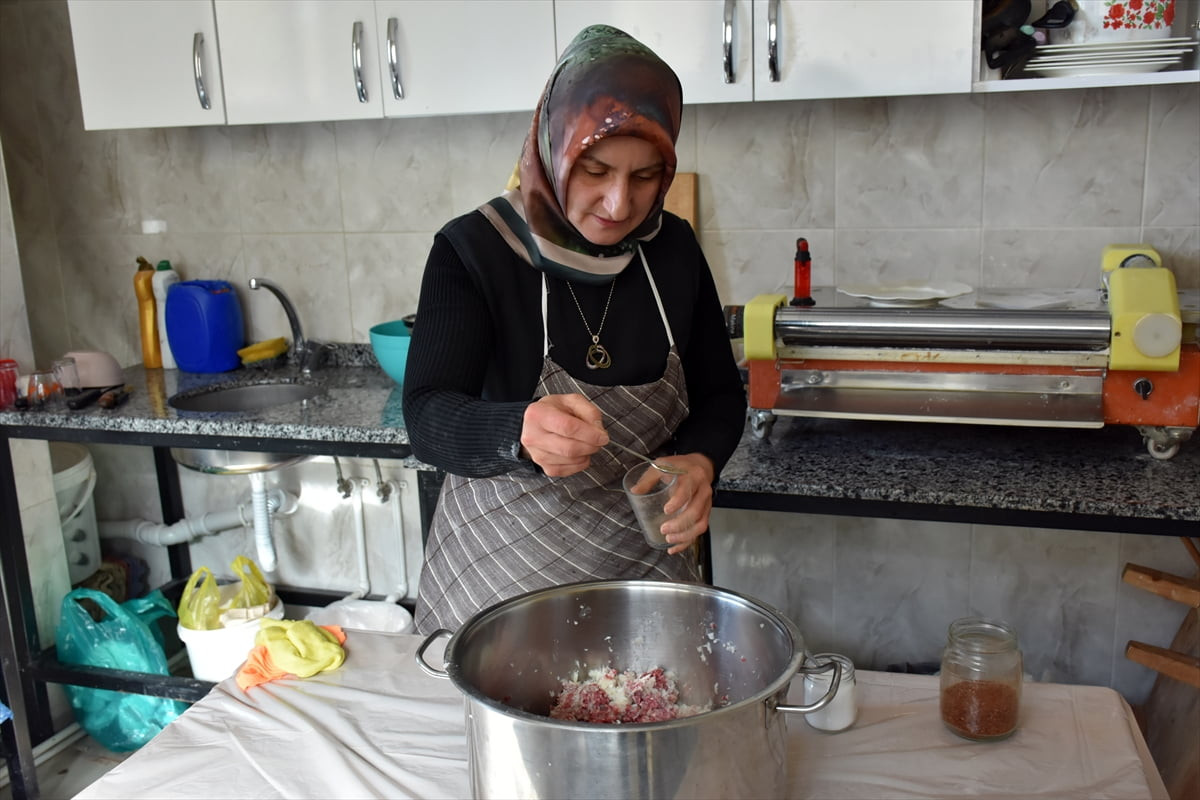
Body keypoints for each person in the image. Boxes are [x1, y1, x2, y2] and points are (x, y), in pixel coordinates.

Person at [403, 25, 747, 633]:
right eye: (595, 169)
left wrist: (699, 461)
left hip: (643, 576)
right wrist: (518, 428)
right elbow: (428, 416)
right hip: (499, 581)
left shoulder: (672, 251)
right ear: (554, 147)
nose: (619, 205)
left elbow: (720, 392)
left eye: (645, 177)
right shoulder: (475, 250)